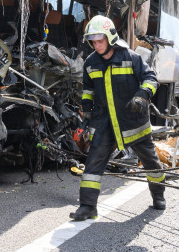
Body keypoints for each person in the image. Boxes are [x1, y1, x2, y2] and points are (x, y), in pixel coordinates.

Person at [70, 15, 166, 220]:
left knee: (150, 161)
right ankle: (87, 206)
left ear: (110, 37)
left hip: (133, 121)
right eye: (93, 41)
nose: (96, 45)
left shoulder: (131, 57)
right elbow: (88, 89)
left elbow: (151, 78)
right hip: (104, 122)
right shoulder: (90, 63)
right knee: (93, 164)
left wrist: (142, 96)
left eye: (100, 40)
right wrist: (86, 110)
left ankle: (158, 195)